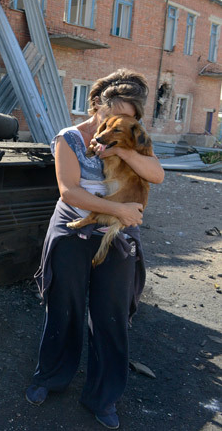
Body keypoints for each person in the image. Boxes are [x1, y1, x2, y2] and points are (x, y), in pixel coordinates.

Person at [25, 69, 164, 429]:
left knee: (110, 315)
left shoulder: (133, 140)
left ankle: (104, 396)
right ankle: (50, 378)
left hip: (116, 236)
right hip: (74, 228)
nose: (117, 122)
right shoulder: (68, 138)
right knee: (64, 307)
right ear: (97, 106)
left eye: (128, 118)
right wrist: (118, 209)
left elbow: (157, 174)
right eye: (112, 113)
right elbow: (69, 191)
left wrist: (125, 150)